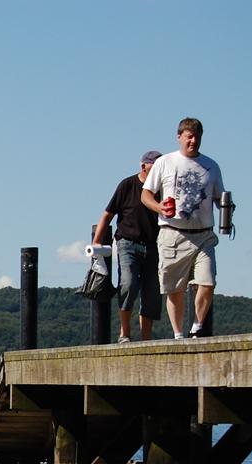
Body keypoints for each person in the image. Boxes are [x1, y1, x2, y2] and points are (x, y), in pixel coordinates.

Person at [141, 117, 225, 339]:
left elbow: (219, 197)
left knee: (207, 282)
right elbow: (145, 194)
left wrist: (227, 209)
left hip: (204, 234)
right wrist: (159, 207)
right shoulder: (165, 162)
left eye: (197, 137)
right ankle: (178, 334)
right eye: (189, 136)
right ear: (179, 137)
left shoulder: (212, 165)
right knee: (174, 289)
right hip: (173, 233)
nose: (193, 141)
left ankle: (197, 327)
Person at [91, 150, 162, 342]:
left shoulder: (162, 188)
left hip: (153, 244)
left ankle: (146, 336)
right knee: (128, 283)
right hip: (127, 242)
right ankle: (125, 332)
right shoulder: (127, 185)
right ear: (144, 166)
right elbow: (108, 214)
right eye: (155, 166)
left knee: (152, 290)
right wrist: (96, 243)